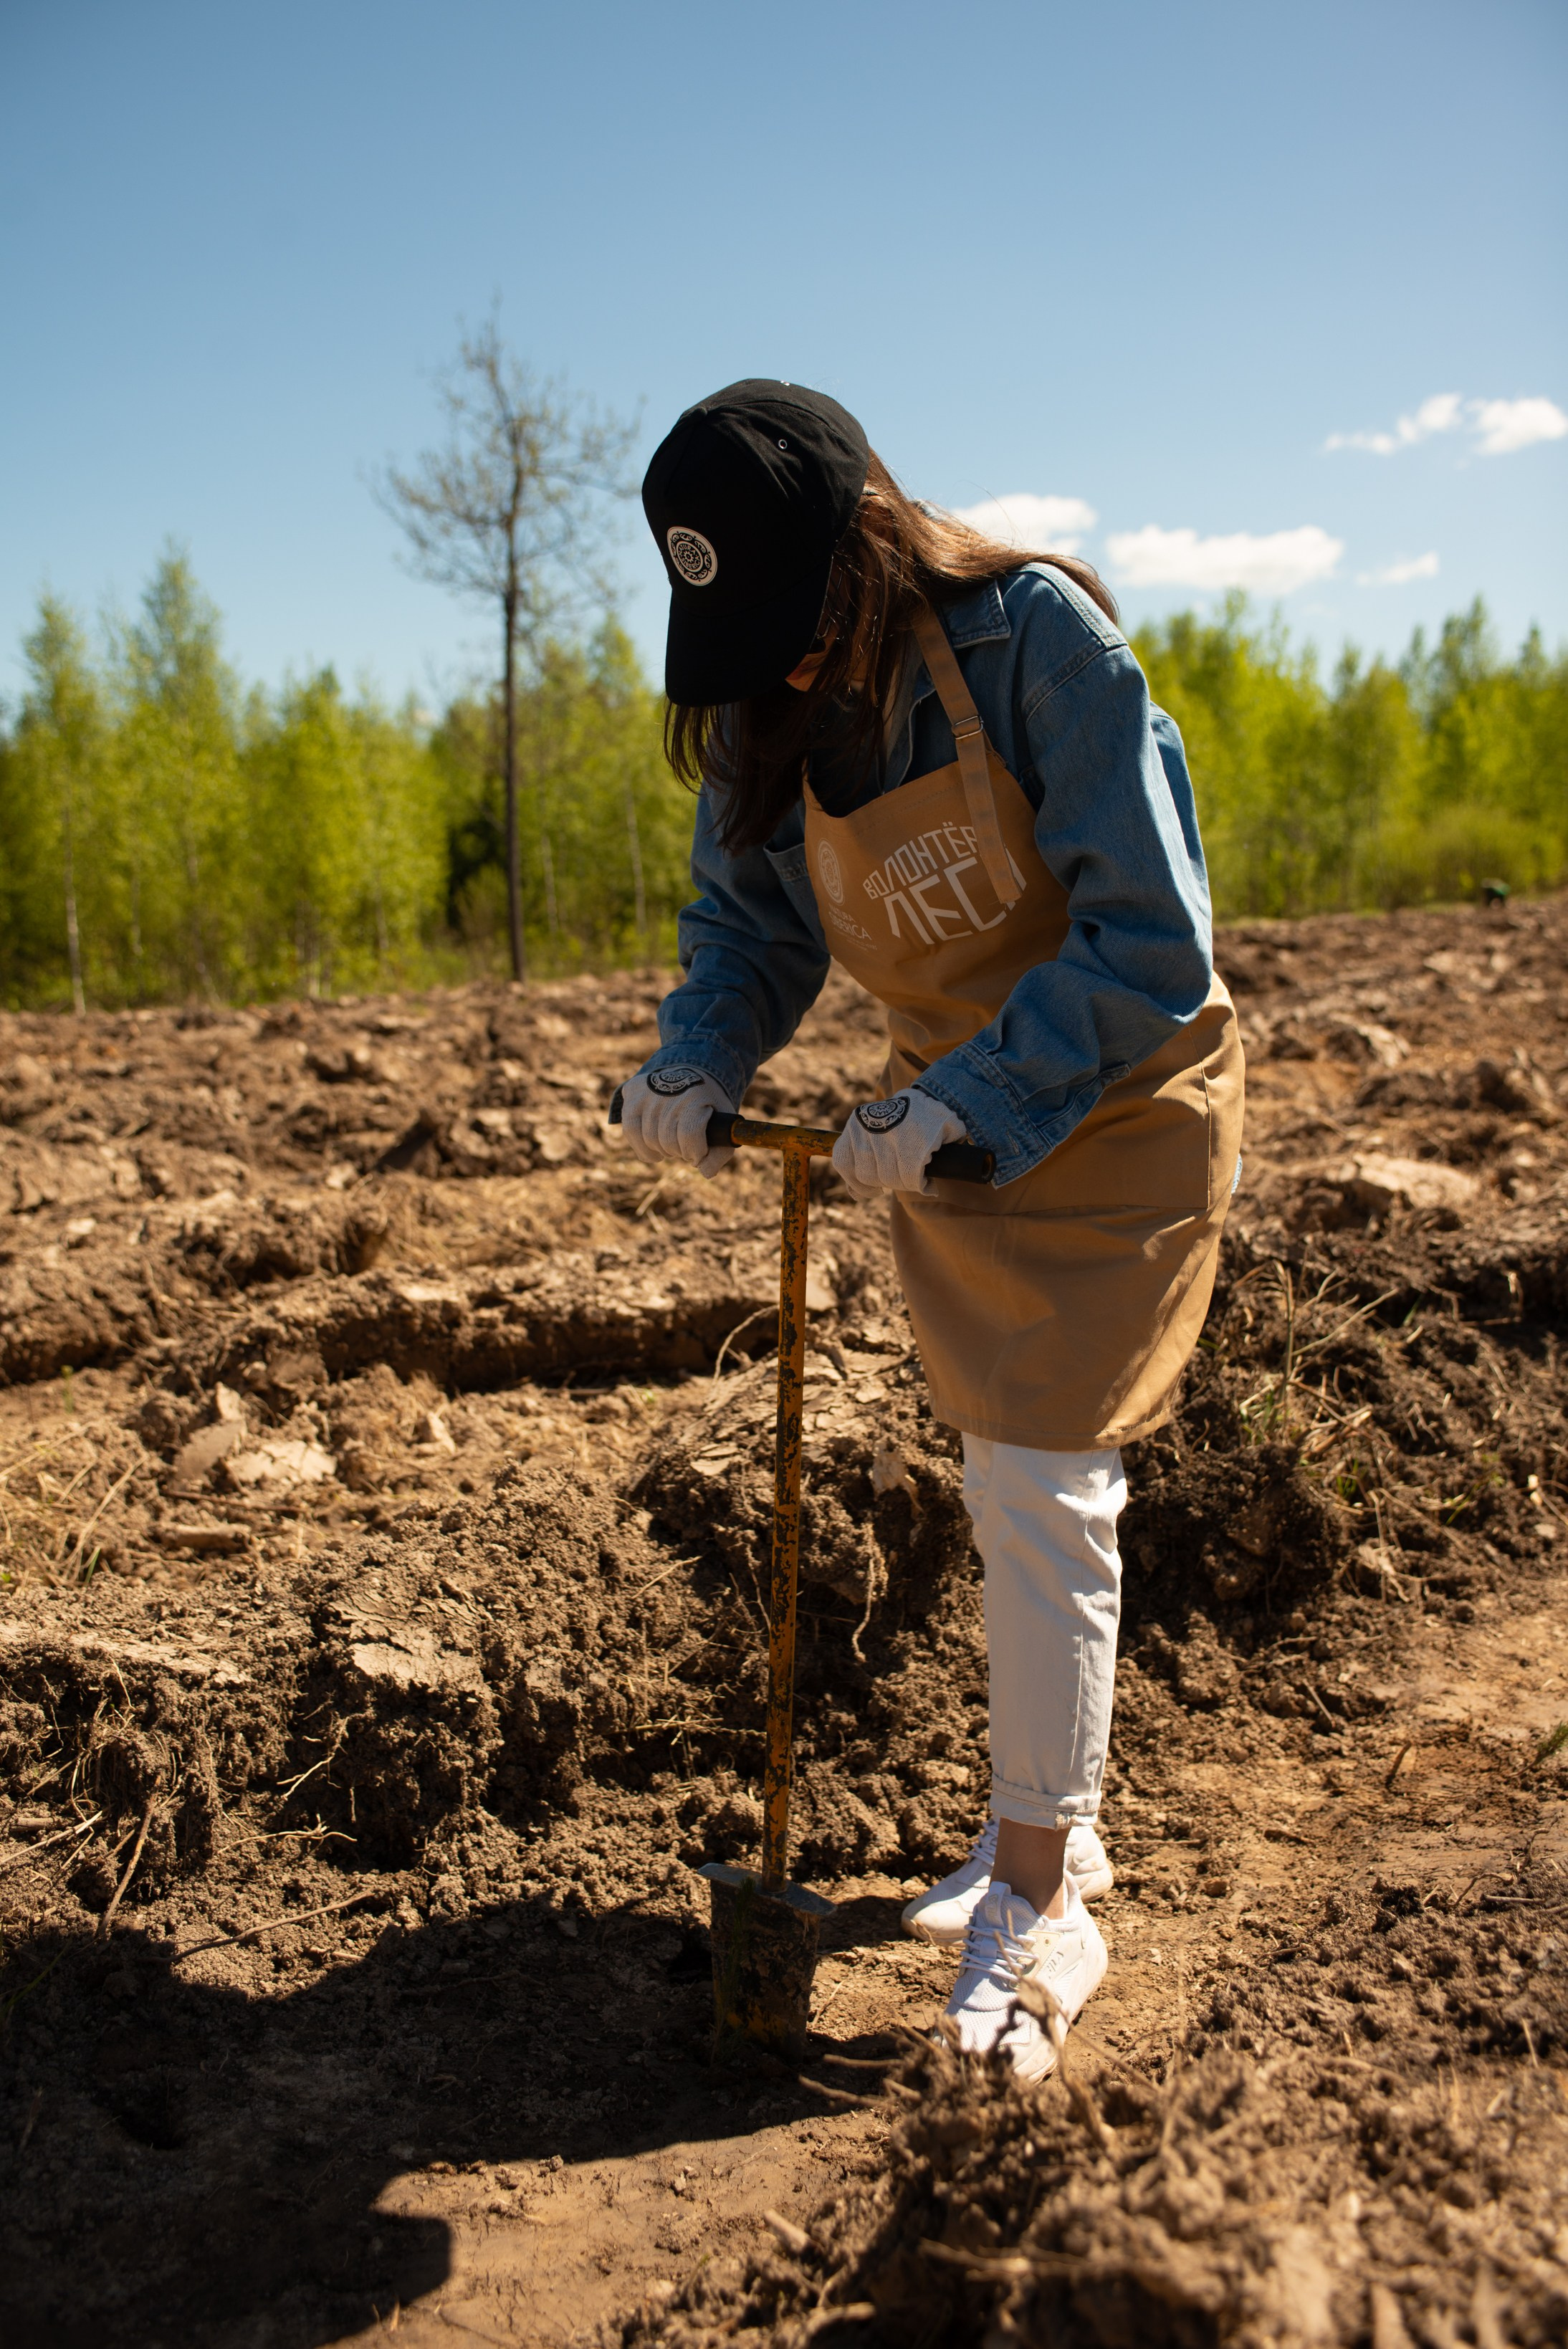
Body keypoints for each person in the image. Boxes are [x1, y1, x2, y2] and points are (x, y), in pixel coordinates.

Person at [618, 380, 1244, 2079]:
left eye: (795, 624)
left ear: (866, 548)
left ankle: (1039, 1902)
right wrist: (698, 1051)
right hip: (945, 1136)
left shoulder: (1032, 644)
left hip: (1116, 1101)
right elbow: (747, 926)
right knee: (999, 1474)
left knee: (1043, 1480)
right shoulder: (769, 703)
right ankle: (1049, 1827)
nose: (780, 674)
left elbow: (1149, 937)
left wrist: (973, 1094)